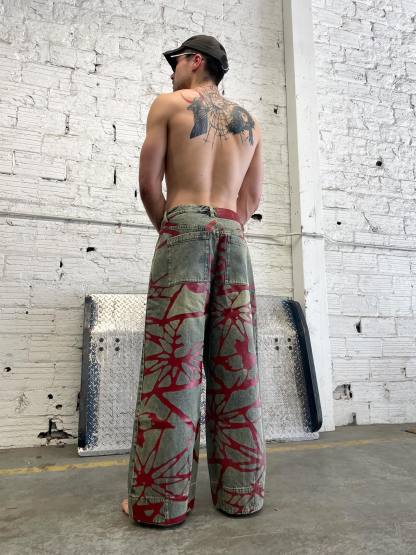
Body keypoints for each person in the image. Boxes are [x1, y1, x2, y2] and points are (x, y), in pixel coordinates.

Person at [121, 34, 266, 527]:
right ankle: (241, 496)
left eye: (176, 61)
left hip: (183, 227)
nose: (171, 71)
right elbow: (251, 199)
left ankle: (160, 503)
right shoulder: (249, 121)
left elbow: (148, 184)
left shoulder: (169, 104)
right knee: (236, 365)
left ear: (195, 61)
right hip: (232, 231)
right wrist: (224, 226)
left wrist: (175, 228)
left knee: (173, 367)